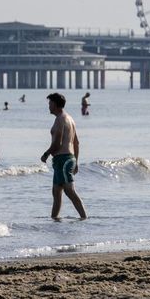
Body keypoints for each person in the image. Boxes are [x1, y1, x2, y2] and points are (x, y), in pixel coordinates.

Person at [40, 93, 87, 221]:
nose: (49, 106)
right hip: (65, 159)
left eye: (50, 103)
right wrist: (76, 161)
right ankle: (55, 219)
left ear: (55, 104)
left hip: (64, 159)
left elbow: (57, 143)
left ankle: (84, 217)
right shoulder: (70, 119)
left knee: (69, 190)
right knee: (56, 192)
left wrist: (46, 154)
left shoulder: (61, 119)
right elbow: (76, 142)